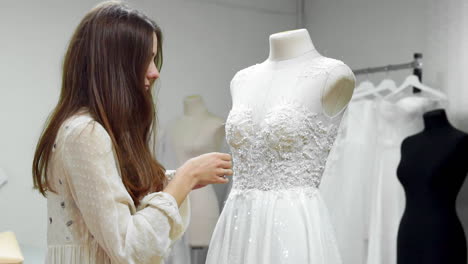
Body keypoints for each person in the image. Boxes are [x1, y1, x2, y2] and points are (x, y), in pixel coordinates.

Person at [31, 1, 232, 263]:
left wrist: (175, 179)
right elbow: (130, 246)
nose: (155, 72)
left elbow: (112, 195)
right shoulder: (86, 134)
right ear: (116, 64)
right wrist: (186, 176)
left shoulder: (84, 129)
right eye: (146, 59)